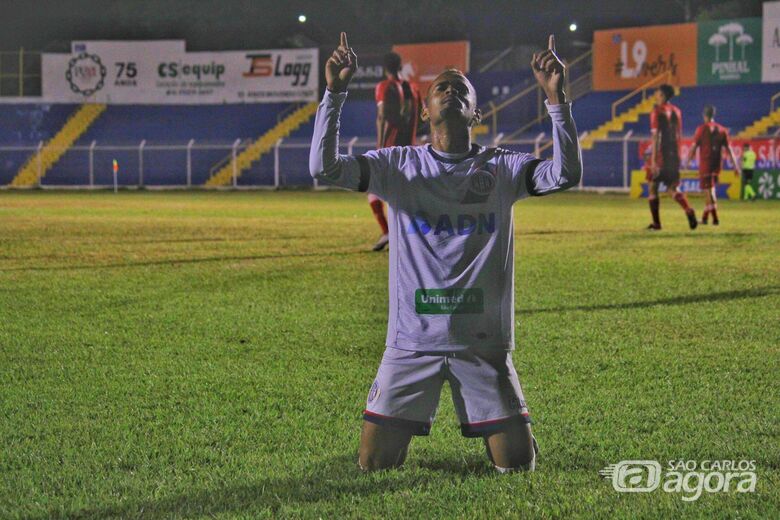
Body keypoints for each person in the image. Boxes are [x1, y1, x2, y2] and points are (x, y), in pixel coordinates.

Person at [310, 32, 582, 472]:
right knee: (374, 465)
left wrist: (557, 101)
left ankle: (514, 432)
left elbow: (565, 174)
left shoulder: (502, 167)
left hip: (482, 344)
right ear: (425, 109)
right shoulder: (398, 165)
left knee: (517, 466)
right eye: (442, 87)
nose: (451, 90)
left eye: (462, 89)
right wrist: (335, 93)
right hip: (411, 344)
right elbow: (323, 167)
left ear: (475, 112)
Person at [368, 52, 422, 252]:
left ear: (385, 68)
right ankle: (409, 235)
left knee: (374, 191)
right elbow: (422, 118)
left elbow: (382, 117)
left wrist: (380, 148)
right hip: (410, 149)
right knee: (402, 194)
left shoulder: (385, 86)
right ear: (400, 66)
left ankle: (388, 232)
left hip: (390, 150)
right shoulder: (414, 89)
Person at [647, 84, 697, 230]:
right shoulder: (677, 111)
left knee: (652, 186)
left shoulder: (657, 112)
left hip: (662, 155)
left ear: (662, 95)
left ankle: (656, 223)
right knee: (671, 188)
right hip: (675, 154)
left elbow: (656, 136)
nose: (655, 96)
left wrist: (654, 161)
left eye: (657, 93)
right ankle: (688, 209)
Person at [685, 105, 741, 225]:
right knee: (710, 190)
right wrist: (735, 165)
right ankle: (705, 218)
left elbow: (694, 147)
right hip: (717, 165)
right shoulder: (722, 130)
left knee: (709, 192)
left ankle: (715, 219)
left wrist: (688, 160)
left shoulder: (701, 129)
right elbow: (729, 149)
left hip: (706, 164)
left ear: (704, 115)